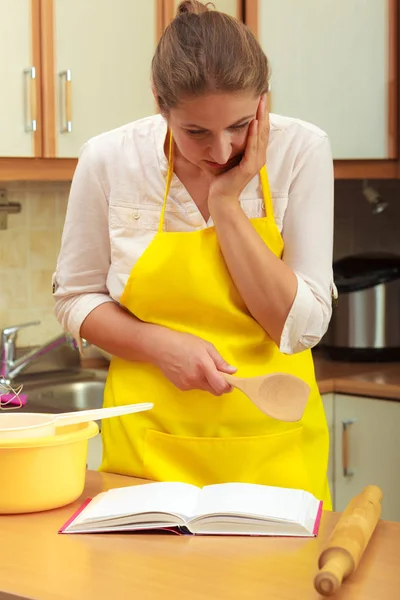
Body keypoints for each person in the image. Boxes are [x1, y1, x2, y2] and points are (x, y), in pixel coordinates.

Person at [53, 0, 336, 508]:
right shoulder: (110, 160)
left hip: (275, 461)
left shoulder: (302, 152)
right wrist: (158, 344)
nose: (223, 151)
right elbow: (75, 299)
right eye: (196, 132)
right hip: (145, 460)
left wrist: (228, 203)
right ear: (160, 102)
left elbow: (299, 328)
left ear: (264, 103)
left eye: (241, 125)